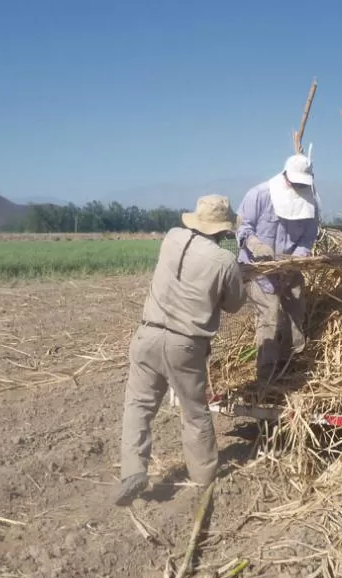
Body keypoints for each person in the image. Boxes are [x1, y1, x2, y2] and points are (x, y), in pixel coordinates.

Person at [116, 195, 248, 506]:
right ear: (224, 230)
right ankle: (204, 477)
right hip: (185, 344)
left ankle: (133, 470)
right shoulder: (224, 261)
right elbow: (234, 304)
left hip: (147, 334)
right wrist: (241, 277)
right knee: (194, 411)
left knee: (138, 405)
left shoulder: (172, 238)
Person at [236, 153, 320, 382]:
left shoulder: (311, 200)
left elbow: (307, 238)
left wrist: (295, 261)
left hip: (291, 269)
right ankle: (267, 377)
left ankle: (290, 369)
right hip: (261, 271)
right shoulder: (260, 194)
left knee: (295, 319)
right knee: (270, 320)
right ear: (286, 176)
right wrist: (255, 244)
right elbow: (243, 228)